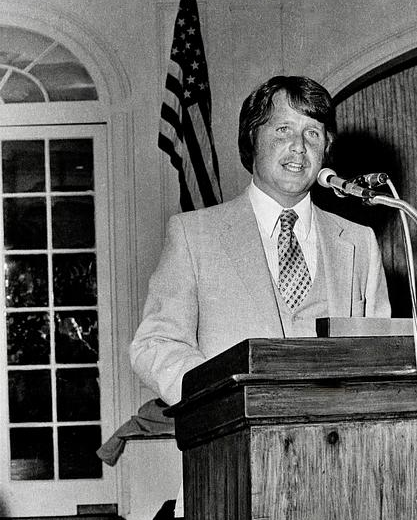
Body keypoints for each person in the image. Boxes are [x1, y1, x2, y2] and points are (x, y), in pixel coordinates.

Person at [130, 75, 390, 406]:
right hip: (234, 443)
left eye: (312, 133)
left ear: (326, 148)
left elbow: (381, 356)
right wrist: (217, 398)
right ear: (253, 138)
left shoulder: (359, 242)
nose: (299, 145)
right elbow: (155, 343)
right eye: (283, 130)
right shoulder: (193, 235)